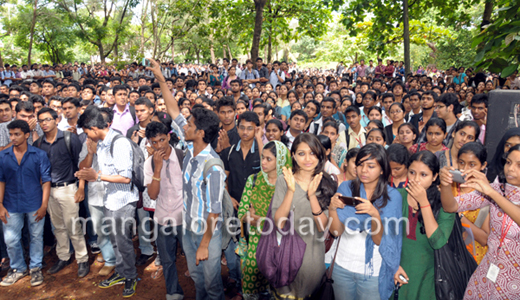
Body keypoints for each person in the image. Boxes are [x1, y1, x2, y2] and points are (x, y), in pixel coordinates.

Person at [439, 144, 520, 300]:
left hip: (514, 282)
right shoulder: (497, 189)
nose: (510, 169)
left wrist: (491, 192)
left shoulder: (493, 192)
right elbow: (451, 206)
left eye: (519, 165)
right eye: (508, 162)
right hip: (486, 275)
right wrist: (445, 185)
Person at [75, 106, 139, 297]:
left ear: (94, 128)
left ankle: (131, 276)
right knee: (115, 241)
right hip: (110, 199)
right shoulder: (101, 144)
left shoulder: (119, 143)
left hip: (123, 201)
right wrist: (88, 173)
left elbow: (125, 177)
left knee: (123, 242)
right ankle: (120, 272)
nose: (86, 135)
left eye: (87, 132)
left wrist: (97, 176)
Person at [329, 143, 402, 300]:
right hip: (342, 266)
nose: (363, 170)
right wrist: (332, 209)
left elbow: (379, 240)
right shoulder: (346, 187)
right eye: (360, 164)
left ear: (382, 169)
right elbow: (336, 231)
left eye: (371, 166)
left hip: (372, 271)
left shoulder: (392, 197)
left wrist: (375, 214)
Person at [271, 133, 336, 299]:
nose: (308, 158)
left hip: (312, 259)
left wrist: (312, 195)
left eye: (312, 153)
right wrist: (291, 191)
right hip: (284, 258)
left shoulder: (327, 183)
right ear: (293, 155)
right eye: (301, 153)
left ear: (320, 155)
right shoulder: (283, 180)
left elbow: (323, 228)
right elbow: (278, 222)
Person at [34, 107, 90, 278]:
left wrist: (80, 187)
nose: (44, 123)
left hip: (68, 188)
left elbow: (82, 164)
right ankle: (63, 256)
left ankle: (82, 259)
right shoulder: (38, 144)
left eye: (47, 119)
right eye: (41, 121)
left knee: (73, 226)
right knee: (58, 227)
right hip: (49, 190)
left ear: (56, 120)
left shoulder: (69, 139)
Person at [394, 150, 456, 300]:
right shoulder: (397, 196)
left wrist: (424, 202)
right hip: (397, 269)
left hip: (428, 275)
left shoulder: (444, 204)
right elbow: (384, 235)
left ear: (435, 177)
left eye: (423, 175)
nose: (416, 179)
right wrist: (392, 265)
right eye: (412, 172)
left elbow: (438, 242)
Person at [237, 141, 292, 299]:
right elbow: (242, 212)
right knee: (252, 286)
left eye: (269, 159)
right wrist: (258, 220)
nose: (263, 162)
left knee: (277, 289)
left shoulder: (288, 185)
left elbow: (288, 220)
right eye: (262, 158)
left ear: (280, 160)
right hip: (255, 244)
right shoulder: (253, 180)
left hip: (280, 245)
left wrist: (257, 219)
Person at [181, 107, 226, 300]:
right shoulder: (190, 151)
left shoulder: (213, 166)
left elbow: (214, 211)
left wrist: (204, 245)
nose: (185, 127)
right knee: (198, 279)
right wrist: (159, 77)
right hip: (188, 228)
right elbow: (174, 112)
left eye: (189, 125)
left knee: (212, 285)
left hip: (207, 234)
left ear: (200, 133)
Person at [0, 120, 51, 287]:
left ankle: (35, 268)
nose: (13, 138)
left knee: (36, 237)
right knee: (11, 239)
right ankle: (18, 268)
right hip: (10, 204)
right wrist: (0, 204)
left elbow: (46, 181)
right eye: (11, 134)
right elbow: (1, 182)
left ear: (26, 135)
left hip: (34, 203)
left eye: (17, 134)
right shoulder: (3, 156)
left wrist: (44, 205)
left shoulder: (39, 154)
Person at [144, 121, 185, 300]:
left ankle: (202, 290)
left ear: (169, 137)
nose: (159, 145)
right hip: (162, 218)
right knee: (167, 260)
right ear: (149, 143)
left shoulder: (183, 157)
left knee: (193, 257)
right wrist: (158, 169)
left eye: (162, 140)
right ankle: (173, 292)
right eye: (154, 142)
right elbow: (152, 195)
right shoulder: (149, 164)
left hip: (184, 218)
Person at [77, 108, 117, 276]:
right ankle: (109, 259)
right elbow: (82, 168)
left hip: (114, 194)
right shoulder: (88, 141)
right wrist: (91, 153)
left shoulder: (116, 141)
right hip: (95, 193)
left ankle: (121, 260)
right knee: (100, 229)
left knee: (116, 230)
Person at [440, 142, 490, 264]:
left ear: (483, 166)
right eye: (461, 163)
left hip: (473, 259)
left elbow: (484, 239)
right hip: (448, 255)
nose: (464, 169)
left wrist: (459, 216)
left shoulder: (487, 193)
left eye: (472, 164)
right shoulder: (449, 186)